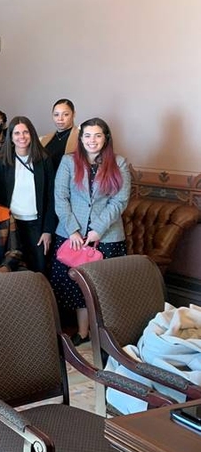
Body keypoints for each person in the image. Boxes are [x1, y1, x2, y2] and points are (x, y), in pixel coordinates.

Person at [51, 118, 131, 346]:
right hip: (71, 236)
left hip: (107, 236)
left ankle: (105, 335)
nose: (92, 140)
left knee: (104, 287)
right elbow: (61, 198)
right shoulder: (68, 162)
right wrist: (73, 229)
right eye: (87, 135)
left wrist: (97, 230)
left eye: (97, 135)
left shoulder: (119, 162)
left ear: (106, 138)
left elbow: (119, 201)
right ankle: (83, 332)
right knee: (77, 287)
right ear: (81, 138)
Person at [0, 116, 57, 274]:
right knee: (12, 269)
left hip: (36, 225)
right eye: (17, 133)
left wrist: (48, 230)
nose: (22, 137)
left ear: (32, 134)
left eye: (25, 132)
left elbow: (51, 197)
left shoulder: (44, 160)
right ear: (10, 137)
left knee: (38, 269)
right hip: (11, 224)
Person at [40, 99, 80, 172]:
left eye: (65, 114)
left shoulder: (81, 137)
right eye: (56, 114)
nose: (60, 119)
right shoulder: (44, 139)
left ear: (74, 114)